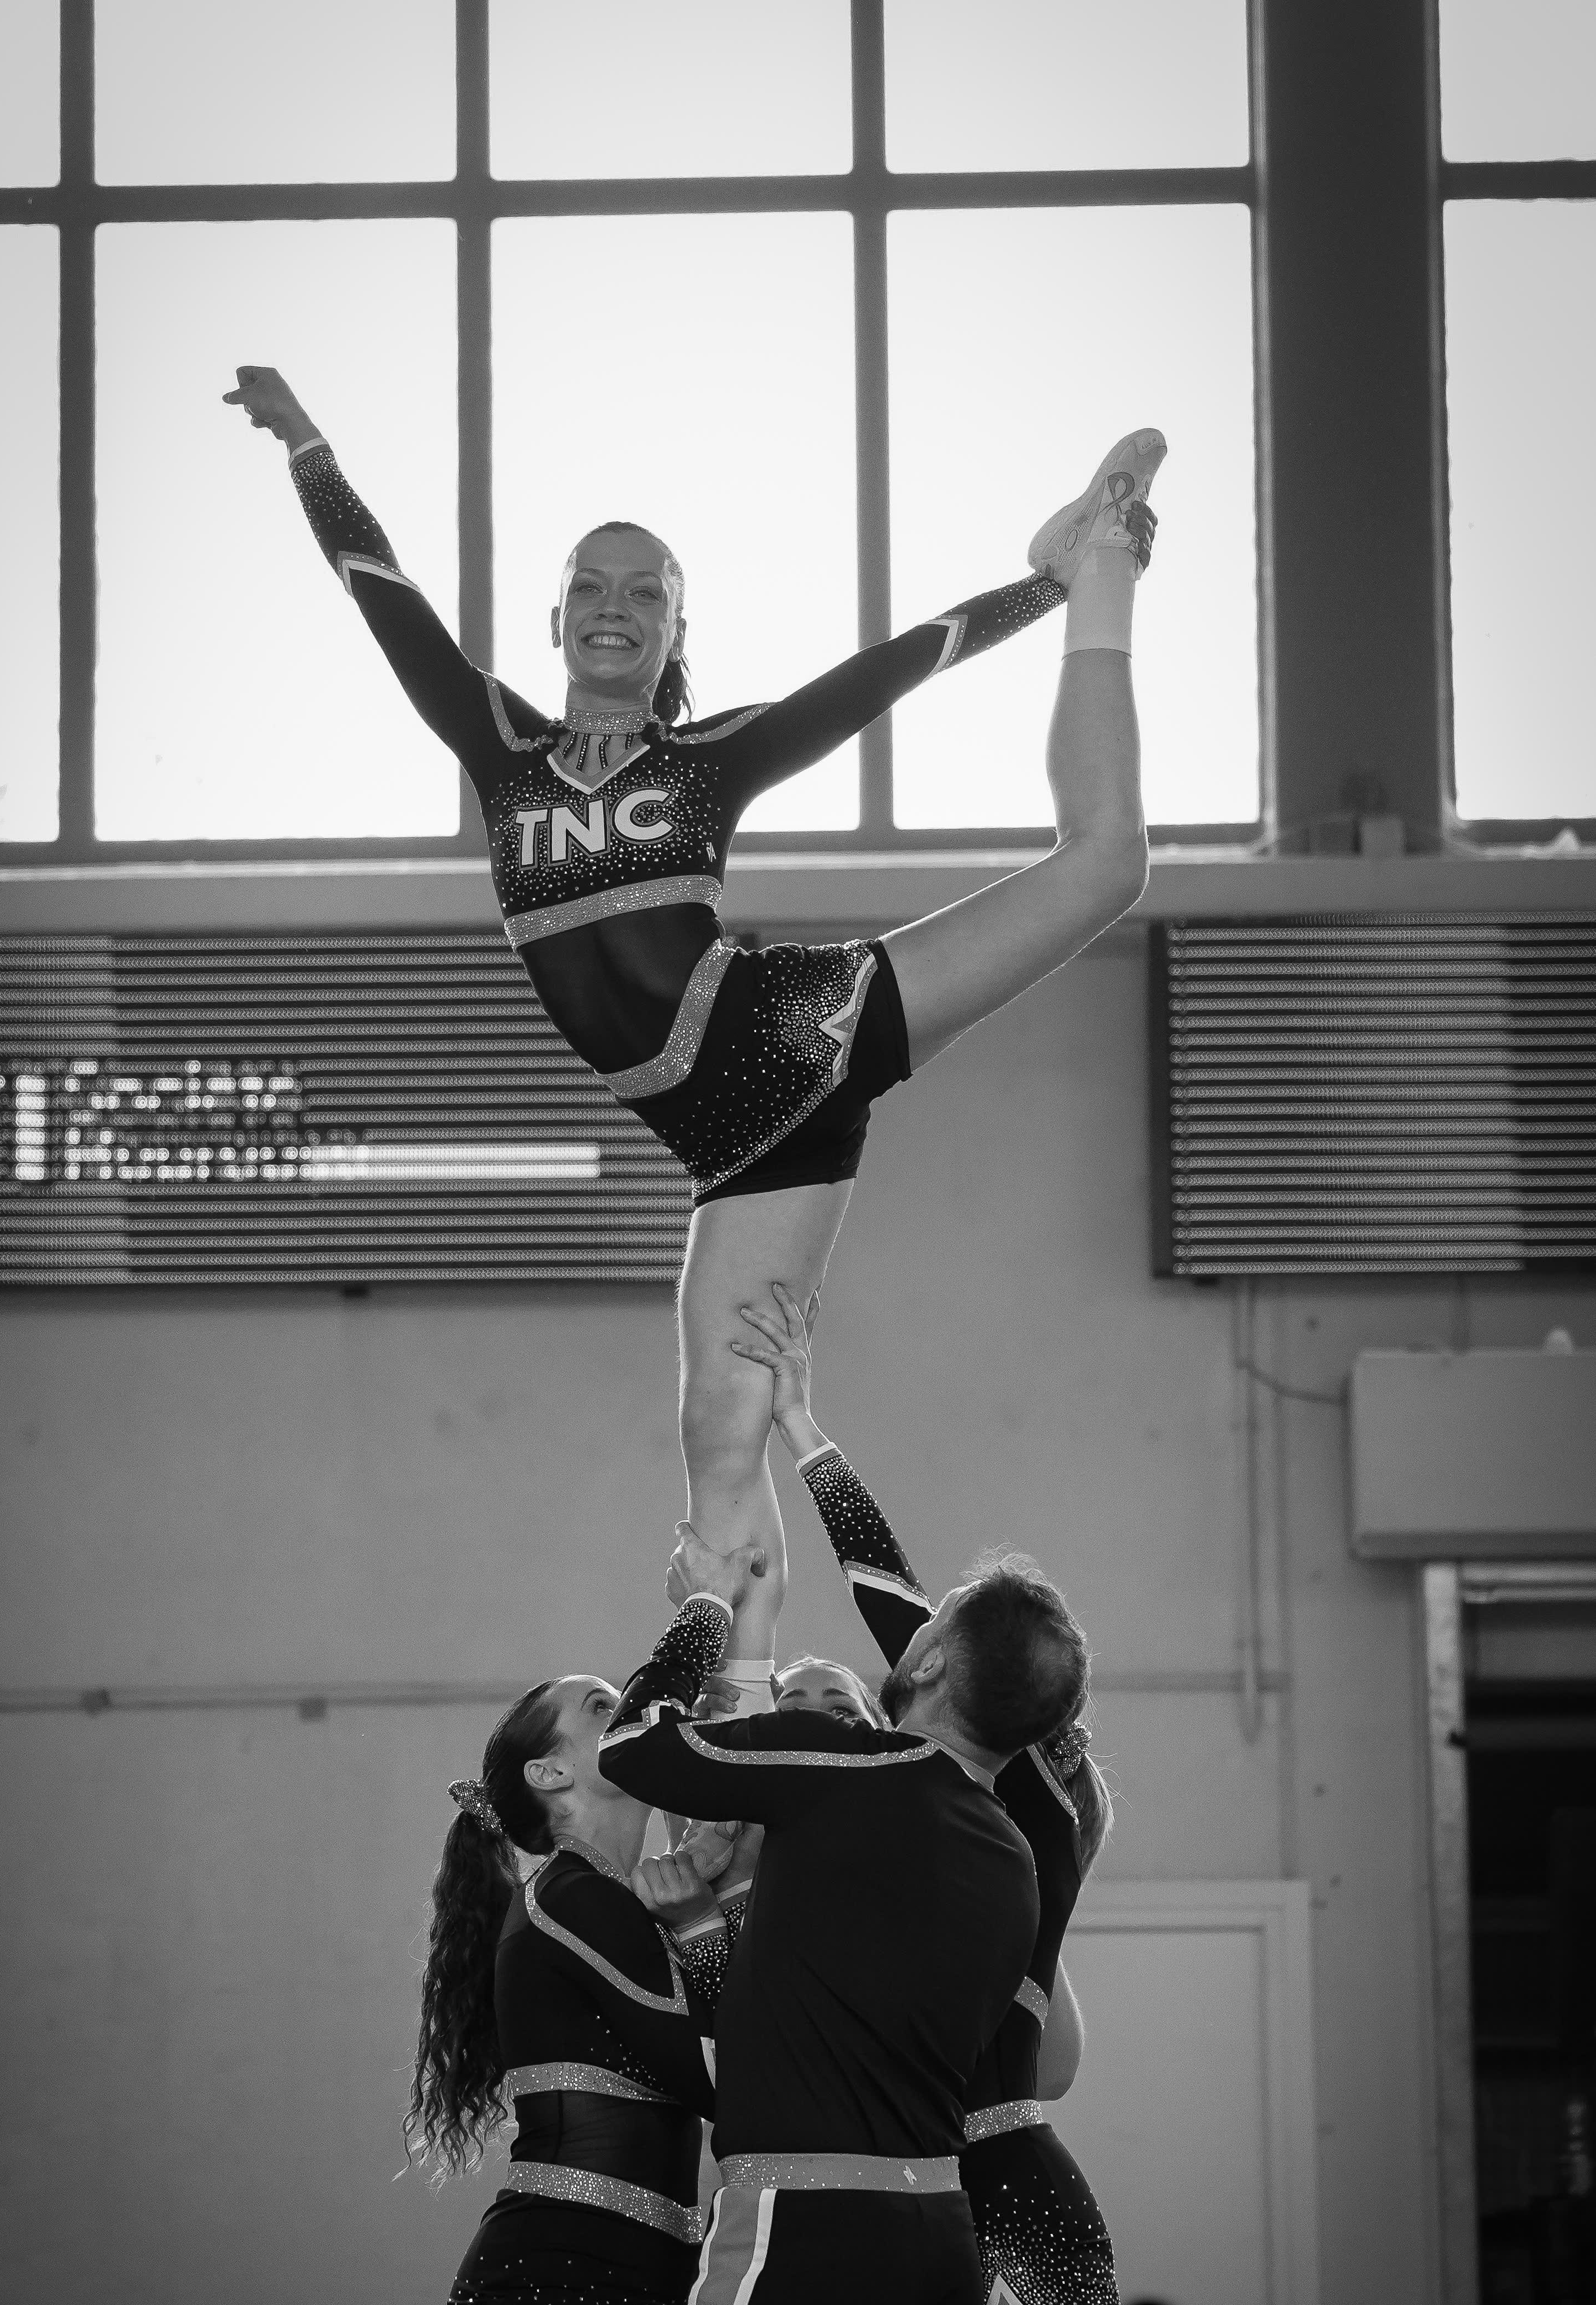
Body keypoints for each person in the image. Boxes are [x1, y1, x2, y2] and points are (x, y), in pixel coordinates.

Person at [222, 362, 1160, 1668]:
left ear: (675, 632)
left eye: (645, 592)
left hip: (803, 1028)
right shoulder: (498, 751)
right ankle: (746, 1714)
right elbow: (381, 589)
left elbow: (884, 671)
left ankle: (1102, 565)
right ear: (556, 622)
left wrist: (1045, 586)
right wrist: (307, 444)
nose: (615, 607)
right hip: (736, 1154)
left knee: (1107, 867)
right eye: (590, 588)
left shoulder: (707, 763)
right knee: (721, 1451)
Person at [588, 1474, 1088, 2305]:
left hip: (801, 2232)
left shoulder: (847, 1771)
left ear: (931, 1664)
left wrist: (706, 1610)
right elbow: (825, 2003)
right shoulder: (1012, 1858)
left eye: (934, 1622)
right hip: (937, 2245)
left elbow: (633, 1748)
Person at [733, 1283, 1152, 2305]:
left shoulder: (995, 1779)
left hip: (989, 2193)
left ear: (949, 1675)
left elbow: (885, 1590)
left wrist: (806, 1429)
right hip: (920, 2200)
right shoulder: (974, 1794)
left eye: (935, 1633)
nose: (909, 1642)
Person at [410, 1676, 747, 2305]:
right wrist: (704, 1917)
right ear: (551, 1772)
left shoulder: (623, 1905)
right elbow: (728, 2078)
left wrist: (712, 1875)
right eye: (602, 1706)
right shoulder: (570, 1896)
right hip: (554, 2286)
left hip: (664, 2289)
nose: (625, 1712)